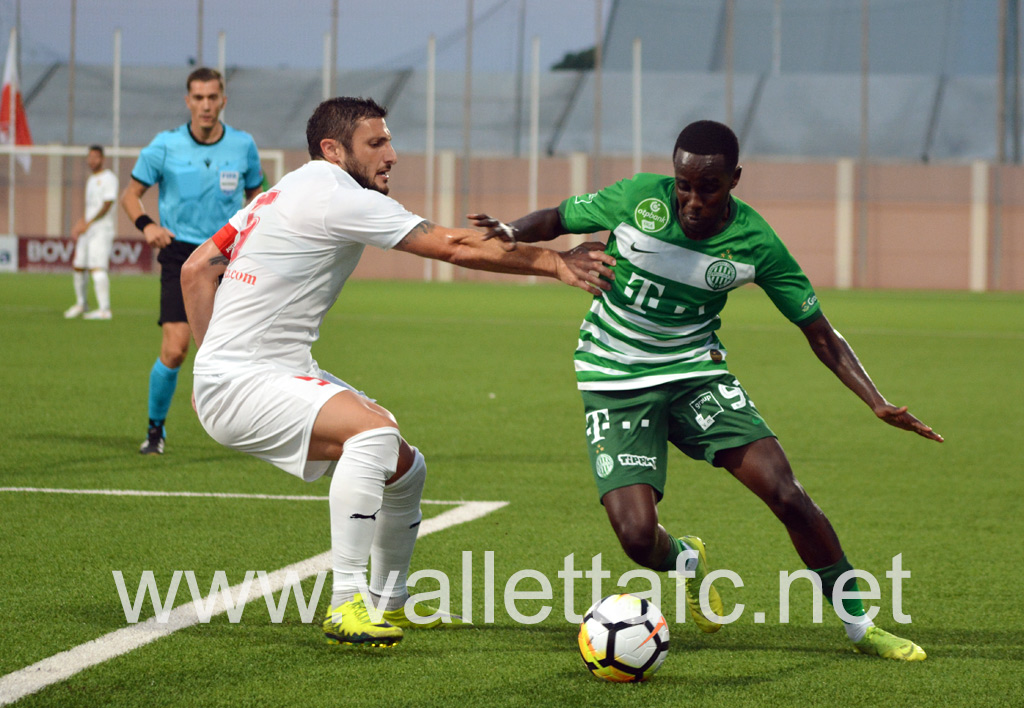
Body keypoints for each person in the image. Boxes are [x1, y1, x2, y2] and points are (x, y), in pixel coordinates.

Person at [472, 120, 942, 662]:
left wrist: (876, 400)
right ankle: (685, 560)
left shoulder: (757, 243)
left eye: (709, 187)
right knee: (637, 539)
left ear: (735, 180)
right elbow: (558, 217)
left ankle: (860, 625)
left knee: (787, 493)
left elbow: (819, 331)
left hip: (695, 373)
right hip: (614, 376)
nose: (693, 200)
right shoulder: (636, 198)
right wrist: (512, 230)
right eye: (684, 185)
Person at [179, 96, 614, 647]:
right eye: (376, 143)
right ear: (333, 150)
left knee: (405, 469)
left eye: (389, 140)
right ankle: (344, 603)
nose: (392, 154)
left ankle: (391, 601)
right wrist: (556, 261)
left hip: (245, 374)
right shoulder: (334, 194)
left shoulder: (284, 190)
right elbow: (453, 245)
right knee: (374, 434)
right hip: (245, 380)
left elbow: (198, 269)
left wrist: (207, 368)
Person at [120, 67, 263, 456]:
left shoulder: (243, 145)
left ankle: (251, 429)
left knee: (240, 347)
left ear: (223, 101)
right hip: (181, 254)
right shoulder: (163, 146)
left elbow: (257, 197)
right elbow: (130, 196)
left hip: (226, 253)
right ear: (188, 101)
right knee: (176, 348)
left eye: (212, 97)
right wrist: (147, 225)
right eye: (198, 98)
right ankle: (155, 430)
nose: (205, 105)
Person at [64, 145, 118, 320]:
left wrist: (89, 223)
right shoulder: (91, 180)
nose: (92, 160)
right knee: (78, 265)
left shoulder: (109, 178)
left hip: (101, 230)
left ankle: (104, 309)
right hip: (88, 229)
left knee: (97, 268)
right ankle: (81, 304)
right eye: (90, 157)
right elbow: (91, 208)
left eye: (95, 157)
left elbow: (107, 204)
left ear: (102, 159)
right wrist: (81, 223)